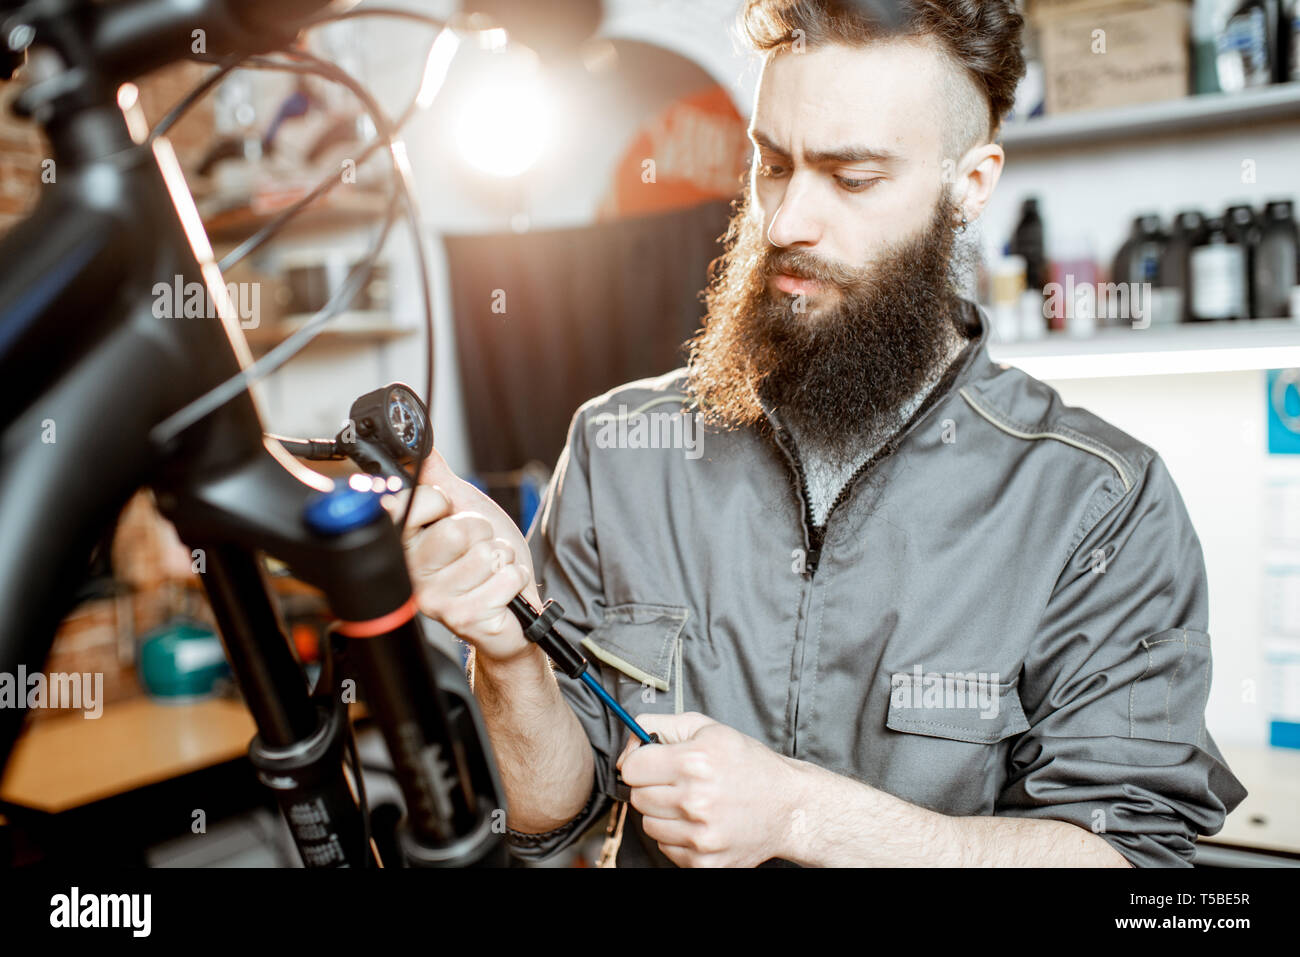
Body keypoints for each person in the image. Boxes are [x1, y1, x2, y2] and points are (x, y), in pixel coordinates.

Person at [395, 0, 1247, 867]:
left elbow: (1135, 871)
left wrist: (802, 815)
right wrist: (507, 650)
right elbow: (546, 813)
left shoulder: (1099, 503)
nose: (787, 221)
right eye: (772, 163)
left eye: (853, 177)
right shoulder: (618, 449)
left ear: (971, 183)